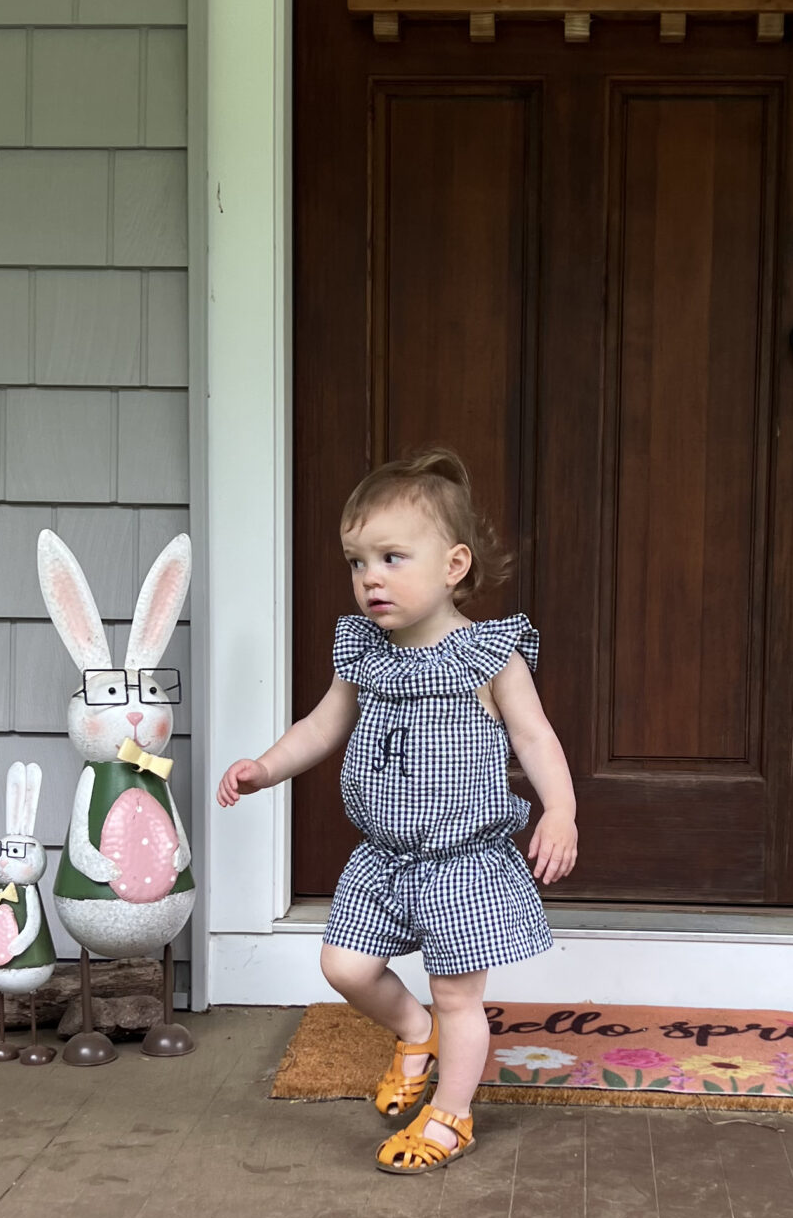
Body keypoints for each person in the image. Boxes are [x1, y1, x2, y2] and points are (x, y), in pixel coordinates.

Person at [219, 449, 577, 1171]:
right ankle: (415, 1032)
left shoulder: (487, 657)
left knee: (457, 996)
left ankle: (452, 1115)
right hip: (381, 860)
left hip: (461, 865)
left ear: (453, 566)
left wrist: (560, 811)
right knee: (344, 965)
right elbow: (321, 726)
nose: (370, 578)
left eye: (391, 558)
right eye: (357, 563)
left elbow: (536, 737)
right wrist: (266, 767)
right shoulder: (364, 653)